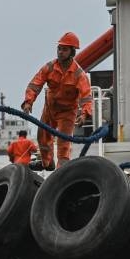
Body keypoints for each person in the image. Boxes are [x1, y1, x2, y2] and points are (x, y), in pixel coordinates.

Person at [22, 32, 92, 169]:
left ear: (72, 52)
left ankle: (61, 171)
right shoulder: (49, 67)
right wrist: (28, 102)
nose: (60, 52)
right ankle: (47, 163)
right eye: (59, 49)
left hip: (67, 113)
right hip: (50, 109)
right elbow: (35, 84)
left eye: (64, 49)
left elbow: (86, 95)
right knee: (42, 137)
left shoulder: (79, 74)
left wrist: (84, 114)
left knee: (63, 143)